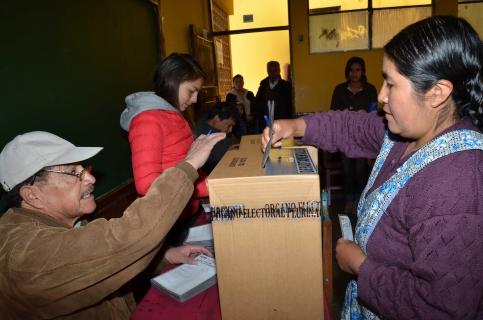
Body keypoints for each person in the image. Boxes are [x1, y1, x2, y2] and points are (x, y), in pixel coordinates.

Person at [262, 16, 483, 320]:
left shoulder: (457, 183)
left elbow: (440, 309)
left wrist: (361, 267)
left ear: (437, 92)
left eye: (391, 84)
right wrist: (296, 125)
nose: (380, 96)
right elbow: (350, 127)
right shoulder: (405, 133)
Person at [0, 130, 226, 319]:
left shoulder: (67, 223)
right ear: (33, 195)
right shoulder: (23, 253)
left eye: (84, 170)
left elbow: (104, 266)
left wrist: (165, 256)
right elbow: (122, 240)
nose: (91, 179)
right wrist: (188, 166)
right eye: (72, 173)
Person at [120, 53, 208, 234]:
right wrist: (208, 189)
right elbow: (147, 185)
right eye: (191, 91)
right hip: (166, 222)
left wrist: (218, 187)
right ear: (172, 82)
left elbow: (187, 167)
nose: (195, 99)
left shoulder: (174, 114)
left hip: (186, 212)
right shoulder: (148, 119)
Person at [330, 56, 378, 213]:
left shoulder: (370, 89)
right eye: (351, 70)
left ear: (363, 72)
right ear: (347, 72)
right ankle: (349, 200)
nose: (354, 73)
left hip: (364, 138)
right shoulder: (339, 89)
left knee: (361, 169)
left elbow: (374, 114)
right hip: (345, 137)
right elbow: (334, 113)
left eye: (358, 70)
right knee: (347, 170)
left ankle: (360, 200)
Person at [194, 101, 240, 174]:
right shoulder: (202, 134)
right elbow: (208, 161)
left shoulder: (214, 126)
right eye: (228, 125)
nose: (230, 130)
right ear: (217, 118)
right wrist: (227, 150)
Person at [253, 60, 293, 133]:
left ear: (279, 71)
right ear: (267, 71)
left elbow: (289, 105)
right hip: (265, 121)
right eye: (270, 71)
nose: (272, 73)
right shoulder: (263, 86)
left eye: (274, 71)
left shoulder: (286, 86)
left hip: (281, 121)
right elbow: (257, 103)